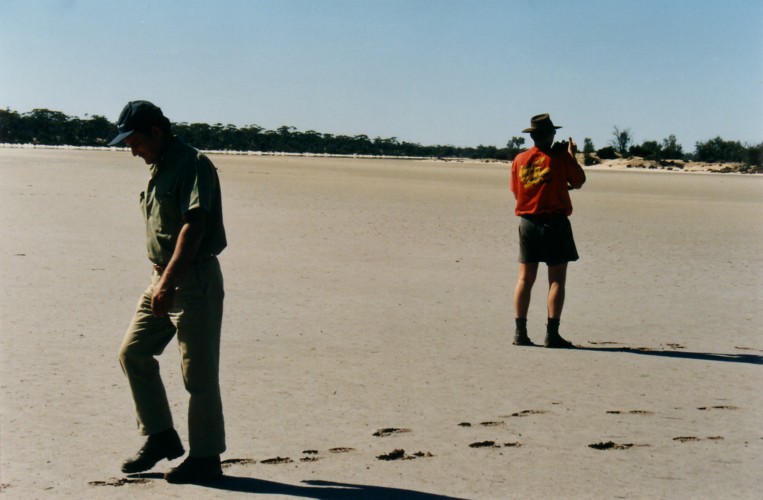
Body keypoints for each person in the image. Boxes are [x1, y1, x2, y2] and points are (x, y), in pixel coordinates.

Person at [110, 101, 227, 483]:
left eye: (135, 142)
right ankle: (161, 436)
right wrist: (161, 282)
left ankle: (206, 458)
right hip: (161, 279)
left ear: (156, 132)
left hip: (192, 282)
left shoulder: (193, 164)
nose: (133, 151)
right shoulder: (159, 165)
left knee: (199, 376)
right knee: (133, 352)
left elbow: (194, 227)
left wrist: (168, 283)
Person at [509, 113, 586, 348]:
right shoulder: (560, 158)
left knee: (525, 278)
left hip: (528, 222)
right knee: (557, 281)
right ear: (551, 134)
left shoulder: (519, 159)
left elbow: (517, 191)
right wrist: (570, 155)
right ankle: (552, 334)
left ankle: (520, 333)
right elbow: (579, 180)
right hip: (555, 223)